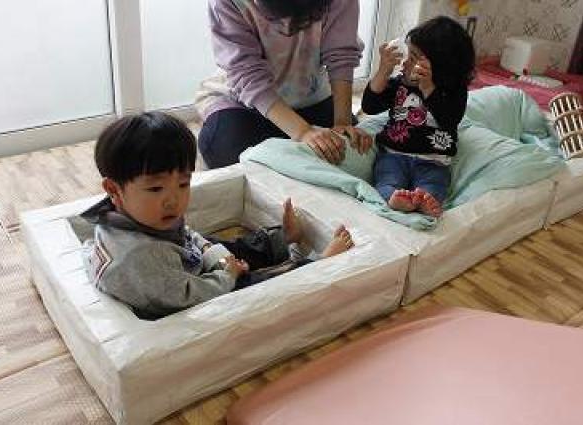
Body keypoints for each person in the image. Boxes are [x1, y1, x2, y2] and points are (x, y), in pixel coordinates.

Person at [76, 112, 354, 320]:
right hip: (187, 292)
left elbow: (186, 235)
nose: (173, 200)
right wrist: (227, 275)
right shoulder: (137, 259)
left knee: (232, 247)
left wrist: (215, 254)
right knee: (256, 285)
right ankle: (317, 264)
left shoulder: (138, 216)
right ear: (114, 189)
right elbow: (189, 296)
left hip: (181, 265)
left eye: (183, 184)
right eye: (155, 188)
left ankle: (282, 239)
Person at [195, 0, 373, 169]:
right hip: (243, 102)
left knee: (352, 150)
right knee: (224, 148)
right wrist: (303, 132)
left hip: (310, 94)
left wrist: (343, 122)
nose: (287, 30)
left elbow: (341, 54)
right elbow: (246, 73)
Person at [361, 16, 475, 217]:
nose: (405, 62)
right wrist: (383, 71)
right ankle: (393, 197)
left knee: (434, 185)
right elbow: (369, 106)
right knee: (387, 180)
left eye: (413, 57)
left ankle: (424, 201)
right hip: (393, 154)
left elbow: (449, 120)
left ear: (440, 65)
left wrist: (428, 88)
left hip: (434, 161)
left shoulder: (453, 91)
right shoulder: (400, 84)